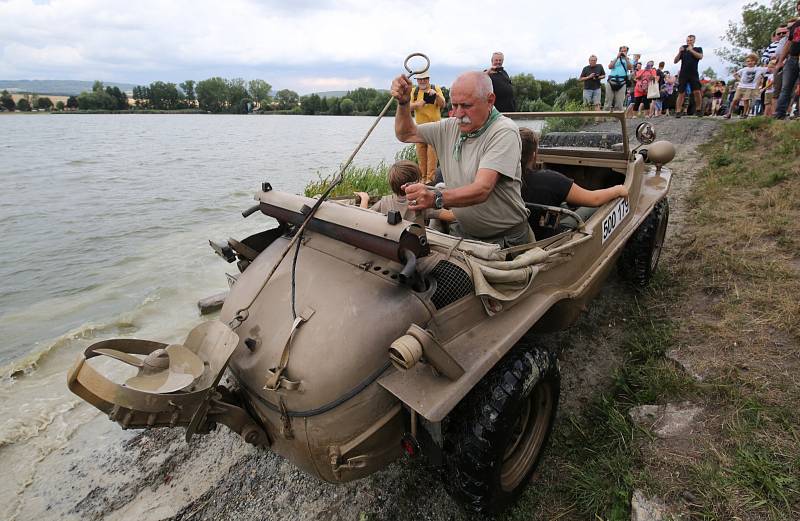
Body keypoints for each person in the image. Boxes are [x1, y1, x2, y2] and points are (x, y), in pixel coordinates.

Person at [391, 70, 532, 247]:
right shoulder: (449, 127)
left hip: (505, 240)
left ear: (490, 100)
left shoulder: (503, 131)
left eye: (466, 106)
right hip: (465, 233)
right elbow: (406, 133)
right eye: (454, 105)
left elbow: (482, 189)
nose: (458, 114)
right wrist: (403, 103)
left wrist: (435, 197)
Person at [518, 128, 628, 239]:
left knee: (562, 204)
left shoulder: (504, 181)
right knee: (594, 208)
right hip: (550, 238)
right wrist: (617, 189)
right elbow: (594, 199)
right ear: (533, 155)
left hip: (522, 234)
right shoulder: (550, 179)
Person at [355, 160, 454, 223]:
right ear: (415, 184)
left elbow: (363, 215)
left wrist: (364, 199)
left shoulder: (384, 201)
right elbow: (452, 217)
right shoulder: (421, 204)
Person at [408, 72, 446, 183]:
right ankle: (422, 179)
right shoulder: (414, 91)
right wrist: (419, 104)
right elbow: (408, 107)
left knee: (432, 156)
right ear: (417, 80)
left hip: (434, 127)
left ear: (428, 79)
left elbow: (443, 104)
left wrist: (436, 95)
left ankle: (430, 180)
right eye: (420, 79)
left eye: (424, 79)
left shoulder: (435, 88)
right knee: (421, 155)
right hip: (419, 128)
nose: (422, 81)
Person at [774, 4, 800, 119]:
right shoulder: (795, 25)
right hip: (792, 58)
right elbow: (788, 43)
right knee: (786, 88)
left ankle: (797, 114)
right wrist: (780, 62)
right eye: (798, 10)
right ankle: (779, 115)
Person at [724, 54, 769, 119]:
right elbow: (735, 74)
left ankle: (745, 114)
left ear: (755, 61)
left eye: (751, 61)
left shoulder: (759, 69)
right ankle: (729, 113)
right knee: (735, 100)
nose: (749, 62)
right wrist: (740, 80)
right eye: (748, 61)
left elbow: (769, 67)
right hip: (741, 86)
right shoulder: (744, 69)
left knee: (746, 100)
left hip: (750, 87)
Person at [674, 34, 704, 118]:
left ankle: (698, 110)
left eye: (690, 40)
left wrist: (691, 50)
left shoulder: (698, 49)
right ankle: (678, 111)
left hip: (694, 73)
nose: (689, 42)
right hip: (683, 74)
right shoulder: (683, 49)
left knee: (697, 92)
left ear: (694, 41)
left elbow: (700, 57)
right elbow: (675, 61)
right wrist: (679, 52)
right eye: (687, 40)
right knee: (681, 92)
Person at [605, 46, 632, 111]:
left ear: (627, 52)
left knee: (619, 102)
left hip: (622, 82)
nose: (623, 52)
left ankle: (617, 119)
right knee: (608, 101)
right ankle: (605, 118)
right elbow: (610, 66)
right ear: (619, 51)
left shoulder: (628, 60)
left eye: (625, 51)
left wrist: (626, 58)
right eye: (622, 51)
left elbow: (630, 67)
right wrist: (617, 57)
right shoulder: (614, 59)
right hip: (611, 80)